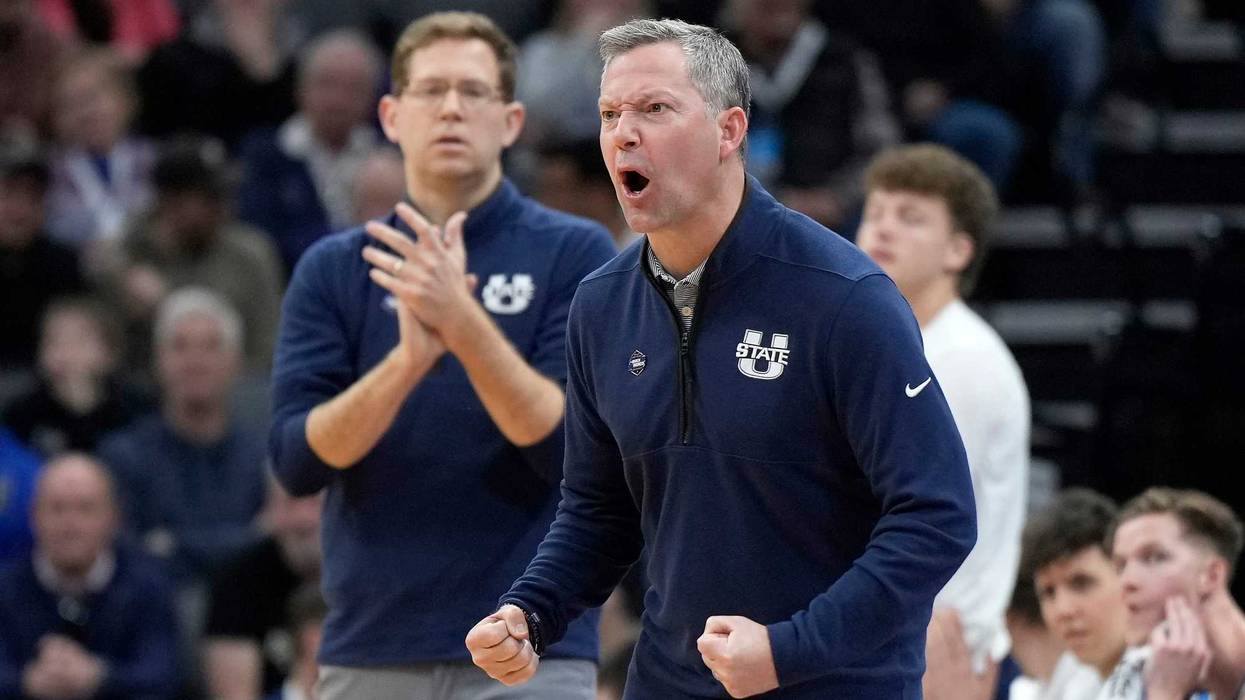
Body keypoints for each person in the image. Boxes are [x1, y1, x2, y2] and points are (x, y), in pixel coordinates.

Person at [468, 18, 977, 699]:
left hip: (832, 684)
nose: (623, 132)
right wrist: (531, 612)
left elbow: (936, 516)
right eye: (610, 113)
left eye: (654, 109)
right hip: (668, 682)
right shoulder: (599, 307)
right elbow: (597, 508)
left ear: (728, 131)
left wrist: (789, 649)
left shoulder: (843, 297)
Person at [268, 11, 617, 700]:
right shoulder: (334, 268)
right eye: (431, 91)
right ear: (392, 116)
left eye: (473, 91)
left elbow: (568, 449)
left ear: (511, 120)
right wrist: (406, 363)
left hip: (531, 644)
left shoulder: (575, 254)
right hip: (373, 644)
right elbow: (297, 461)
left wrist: (462, 324)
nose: (452, 108)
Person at [855, 143, 1030, 681]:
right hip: (890, 633)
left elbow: (924, 521)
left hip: (941, 642)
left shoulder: (966, 360)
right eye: (876, 213)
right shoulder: (885, 343)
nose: (883, 230)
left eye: (910, 219)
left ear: (957, 251)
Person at [98, 287, 267, 584]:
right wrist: (245, 538)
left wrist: (173, 545)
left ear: (236, 363)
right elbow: (128, 558)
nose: (195, 362)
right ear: (157, 361)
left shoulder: (264, 459)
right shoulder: (123, 457)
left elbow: (269, 553)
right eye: (180, 346)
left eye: (211, 347)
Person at [0, 453, 180, 699]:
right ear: (34, 516)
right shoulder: (6, 588)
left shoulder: (148, 585)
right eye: (57, 509)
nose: (70, 524)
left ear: (113, 518)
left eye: (85, 509)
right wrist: (29, 682)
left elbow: (163, 675)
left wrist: (99, 677)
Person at [237, 29, 386, 274]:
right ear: (300, 87)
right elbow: (262, 238)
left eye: (353, 89)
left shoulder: (387, 158)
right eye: (327, 84)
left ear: (372, 97)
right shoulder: (266, 155)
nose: (338, 100)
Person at [1099, 488, 1245, 700]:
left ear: (1212, 576)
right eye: (1120, 566)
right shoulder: (1136, 671)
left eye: (1153, 558)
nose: (1126, 581)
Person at [203, 478, 324, 700]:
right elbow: (235, 695)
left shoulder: (373, 579)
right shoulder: (238, 581)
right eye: (290, 504)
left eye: (315, 504)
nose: (303, 519)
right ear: (268, 513)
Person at [1016, 488, 1128, 699]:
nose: (1063, 610)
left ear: (1127, 578)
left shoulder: (1183, 677)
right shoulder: (1074, 682)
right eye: (1048, 593)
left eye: (1081, 583)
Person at [1, 297, 148, 457]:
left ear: (110, 353)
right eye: (53, 340)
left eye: (79, 341)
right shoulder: (20, 414)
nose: (65, 352)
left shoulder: (137, 411)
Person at [0, 147, 84, 372]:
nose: (19, 209)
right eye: (9, 193)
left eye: (32, 196)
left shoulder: (63, 263)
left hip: (46, 379)